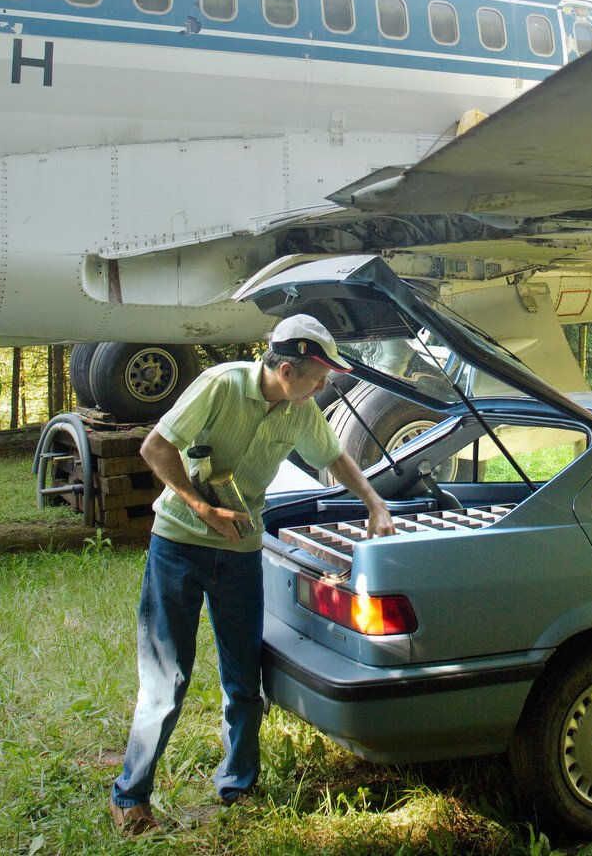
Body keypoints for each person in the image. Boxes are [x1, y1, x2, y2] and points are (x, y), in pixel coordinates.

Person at [109, 314, 395, 835]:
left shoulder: (298, 408)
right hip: (177, 545)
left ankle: (238, 785)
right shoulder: (221, 386)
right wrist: (201, 507)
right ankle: (130, 796)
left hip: (239, 553)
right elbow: (156, 447)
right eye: (317, 377)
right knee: (166, 679)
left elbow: (333, 455)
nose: (323, 386)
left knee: (244, 676)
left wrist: (374, 501)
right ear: (286, 370)